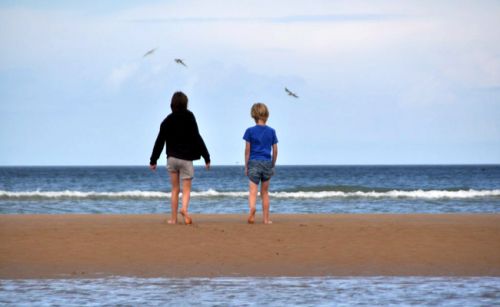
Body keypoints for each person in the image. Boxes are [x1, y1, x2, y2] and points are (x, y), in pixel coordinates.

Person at [150, 91, 210, 225]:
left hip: (172, 159)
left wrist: (153, 160)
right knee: (186, 189)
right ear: (186, 104)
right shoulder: (190, 117)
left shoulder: (166, 121)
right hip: (186, 159)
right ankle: (184, 209)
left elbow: (159, 141)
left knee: (175, 189)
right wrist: (206, 157)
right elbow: (197, 136)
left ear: (172, 105)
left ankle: (173, 219)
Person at [243, 103, 278, 224]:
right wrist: (272, 164)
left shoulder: (250, 131)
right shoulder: (272, 131)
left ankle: (252, 209)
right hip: (267, 162)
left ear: (253, 115)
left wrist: (246, 166)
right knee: (265, 192)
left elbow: (247, 150)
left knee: (253, 191)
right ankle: (266, 219)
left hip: (253, 162)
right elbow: (275, 149)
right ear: (266, 115)